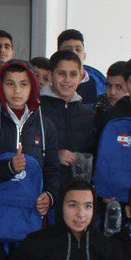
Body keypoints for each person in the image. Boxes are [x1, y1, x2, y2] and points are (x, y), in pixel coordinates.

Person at [0, 60, 60, 220]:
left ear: (33, 87)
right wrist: (8, 167)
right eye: (10, 84)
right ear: (0, 86)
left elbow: (52, 169)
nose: (17, 91)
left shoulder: (45, 125)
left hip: (31, 215)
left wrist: (50, 195)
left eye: (23, 84)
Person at [40, 51, 96, 189]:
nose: (67, 80)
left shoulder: (88, 114)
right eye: (61, 73)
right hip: (45, 191)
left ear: (80, 76)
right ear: (50, 75)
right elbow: (26, 149)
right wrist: (54, 155)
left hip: (78, 192)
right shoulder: (37, 109)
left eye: (73, 74)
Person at [56, 29, 106, 104]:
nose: (74, 53)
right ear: (57, 55)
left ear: (84, 55)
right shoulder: (51, 82)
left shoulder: (100, 84)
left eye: (78, 49)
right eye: (68, 50)